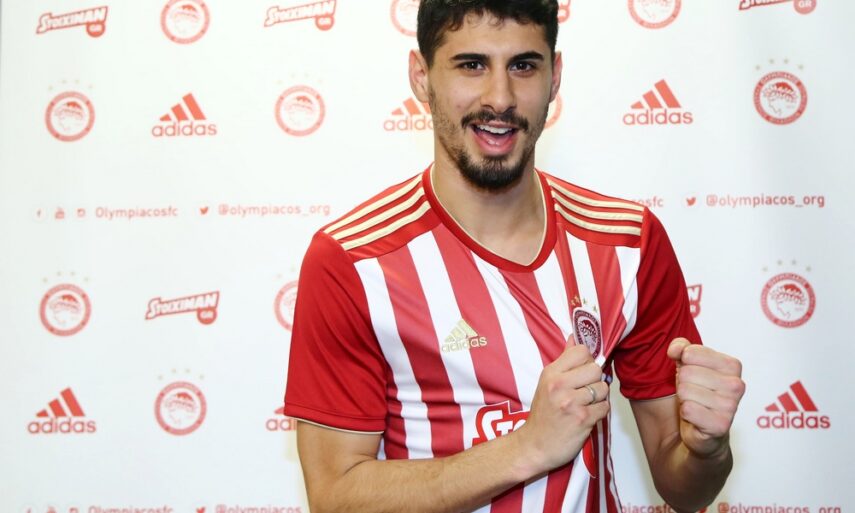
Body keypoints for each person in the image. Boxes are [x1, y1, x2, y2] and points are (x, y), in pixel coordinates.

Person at [283, 1, 745, 512]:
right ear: (421, 77)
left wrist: (707, 450)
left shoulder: (627, 243)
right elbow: (336, 497)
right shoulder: (353, 261)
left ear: (555, 76)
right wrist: (527, 448)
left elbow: (684, 489)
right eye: (471, 65)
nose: (500, 98)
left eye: (523, 65)